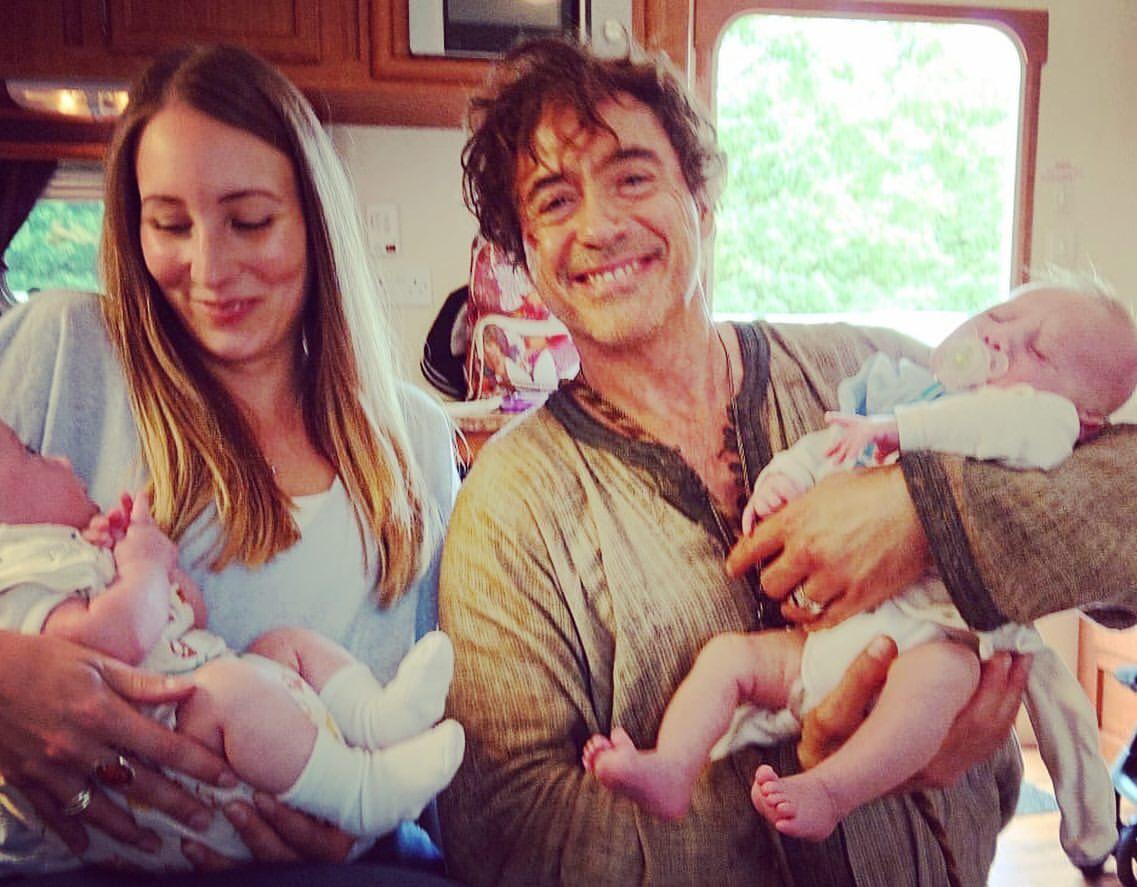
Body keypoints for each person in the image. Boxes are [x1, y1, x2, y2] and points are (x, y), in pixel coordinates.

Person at [438, 37, 1029, 887]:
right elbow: (502, 830)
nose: (599, 226)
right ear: (524, 252)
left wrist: (923, 518)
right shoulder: (507, 508)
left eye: (632, 176)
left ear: (701, 198)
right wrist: (839, 762)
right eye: (555, 198)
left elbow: (1099, 518)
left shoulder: (875, 372)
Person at [0, 44, 461, 879]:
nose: (209, 270)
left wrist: (360, 814)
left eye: (249, 221)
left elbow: (429, 722)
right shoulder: (63, 348)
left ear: (316, 222)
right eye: (169, 225)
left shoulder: (415, 442)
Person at [580, 282, 1133, 872]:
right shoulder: (904, 395)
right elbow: (827, 448)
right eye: (999, 316)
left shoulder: (1043, 428)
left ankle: (832, 791)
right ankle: (673, 766)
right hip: (819, 646)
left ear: (1085, 423)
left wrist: (902, 435)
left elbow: (989, 424)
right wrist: (784, 481)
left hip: (928, 641)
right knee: (728, 660)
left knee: (939, 679)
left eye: (1038, 351)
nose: (1001, 338)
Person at [0, 418, 464, 872]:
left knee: (282, 644)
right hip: (177, 775)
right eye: (30, 454)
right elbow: (119, 642)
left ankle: (376, 720)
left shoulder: (74, 554)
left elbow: (190, 618)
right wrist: (143, 568)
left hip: (246, 748)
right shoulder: (20, 580)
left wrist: (154, 568)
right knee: (223, 690)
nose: (61, 459)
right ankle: (361, 792)